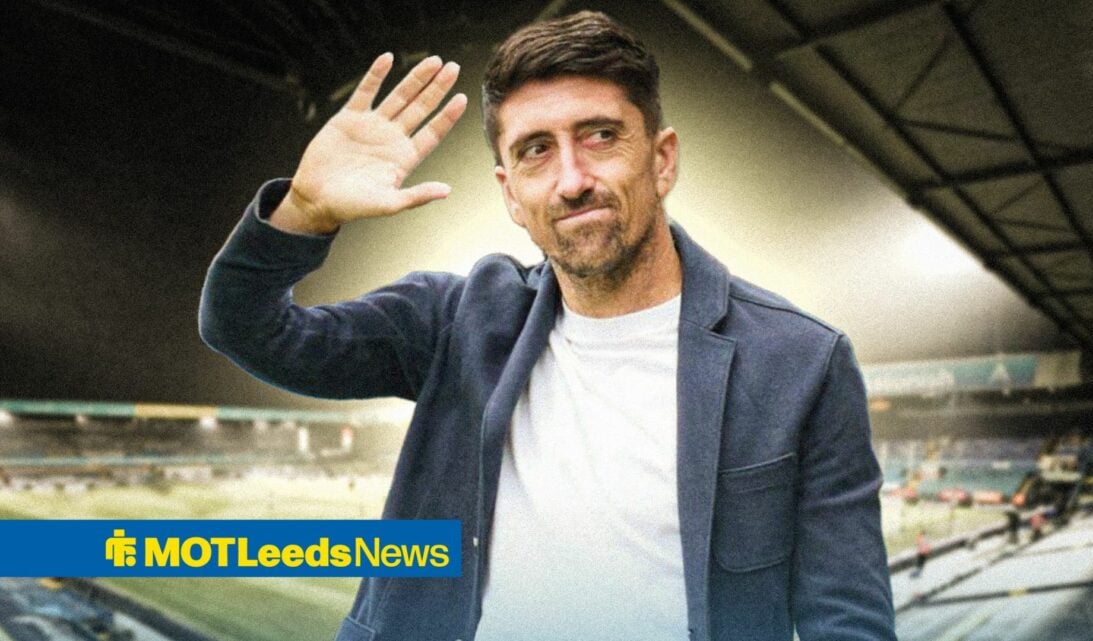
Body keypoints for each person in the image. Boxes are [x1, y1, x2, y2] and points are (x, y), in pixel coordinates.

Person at [199, 10, 895, 641]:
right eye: (535, 149)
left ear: (662, 159)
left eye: (599, 137)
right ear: (509, 191)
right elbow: (245, 326)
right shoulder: (457, 320)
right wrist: (305, 211)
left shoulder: (803, 360)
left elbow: (848, 619)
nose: (571, 179)